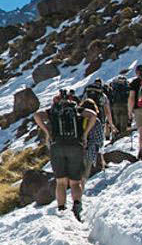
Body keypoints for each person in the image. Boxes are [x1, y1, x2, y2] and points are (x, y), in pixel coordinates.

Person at [35, 85, 96, 219]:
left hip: (57, 147)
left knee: (61, 182)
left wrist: (47, 132)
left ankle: (62, 209)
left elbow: (37, 116)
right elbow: (93, 115)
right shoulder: (77, 110)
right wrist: (85, 134)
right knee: (75, 182)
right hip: (76, 146)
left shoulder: (53, 111)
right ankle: (77, 205)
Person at [80, 81, 112, 176]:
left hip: (83, 120)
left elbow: (81, 104)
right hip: (99, 120)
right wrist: (111, 124)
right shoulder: (102, 95)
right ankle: (100, 163)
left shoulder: (87, 93)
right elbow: (107, 111)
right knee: (98, 142)